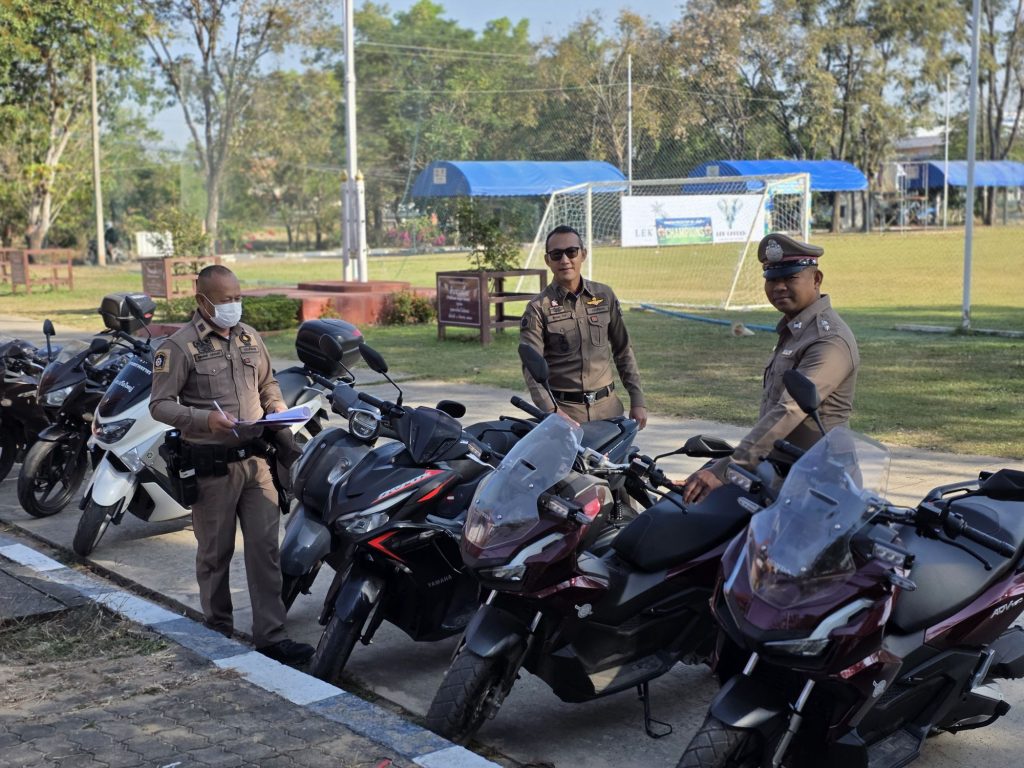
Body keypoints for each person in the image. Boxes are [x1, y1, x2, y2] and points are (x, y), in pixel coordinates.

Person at [150, 264, 314, 665]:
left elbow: (268, 383)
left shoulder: (249, 337)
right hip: (212, 468)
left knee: (265, 551)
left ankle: (271, 637)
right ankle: (218, 631)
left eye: (238, 298)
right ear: (202, 301)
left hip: (258, 461)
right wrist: (205, 419)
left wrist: (277, 407)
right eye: (226, 300)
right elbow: (159, 405)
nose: (234, 306)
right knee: (215, 554)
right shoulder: (179, 347)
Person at [682, 233, 859, 504]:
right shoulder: (795, 331)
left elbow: (789, 410)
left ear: (816, 279)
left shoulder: (828, 340)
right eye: (772, 279)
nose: (779, 287)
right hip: (786, 475)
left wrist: (728, 468)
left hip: (822, 488)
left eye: (790, 278)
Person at [519, 225, 647, 427]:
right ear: (547, 260)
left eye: (571, 252)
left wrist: (637, 400)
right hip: (565, 416)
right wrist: (553, 412)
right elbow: (531, 368)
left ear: (583, 254)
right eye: (556, 254)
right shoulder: (537, 308)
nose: (565, 260)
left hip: (609, 412)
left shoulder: (604, 296)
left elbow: (623, 350)